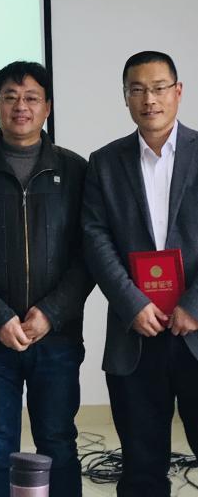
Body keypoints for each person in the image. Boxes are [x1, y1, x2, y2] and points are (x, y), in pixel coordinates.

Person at [0, 60, 92, 497]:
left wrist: (51, 313)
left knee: (58, 442)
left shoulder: (76, 172)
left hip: (57, 337)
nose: (20, 107)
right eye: (10, 97)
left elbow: (89, 254)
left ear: (47, 107)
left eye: (31, 98)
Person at [82, 51, 198, 497]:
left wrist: (194, 305)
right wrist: (132, 303)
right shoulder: (105, 162)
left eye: (159, 88)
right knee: (141, 469)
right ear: (126, 97)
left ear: (178, 92)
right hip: (136, 333)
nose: (149, 99)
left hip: (195, 331)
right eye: (137, 90)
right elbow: (95, 238)